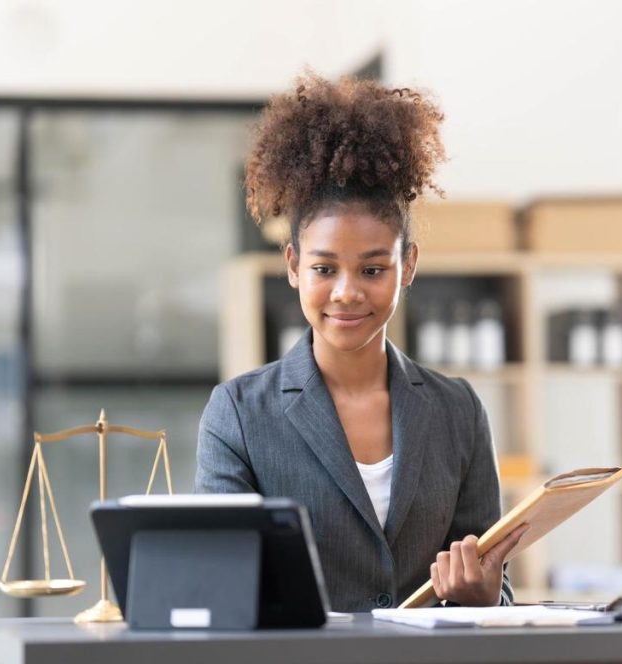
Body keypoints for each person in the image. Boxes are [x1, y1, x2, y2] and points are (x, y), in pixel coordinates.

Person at [195, 72, 526, 612]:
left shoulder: (458, 411)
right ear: (293, 266)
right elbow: (218, 587)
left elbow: (494, 587)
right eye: (324, 268)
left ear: (407, 265)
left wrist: (485, 595)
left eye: (372, 270)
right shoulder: (239, 414)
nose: (347, 293)